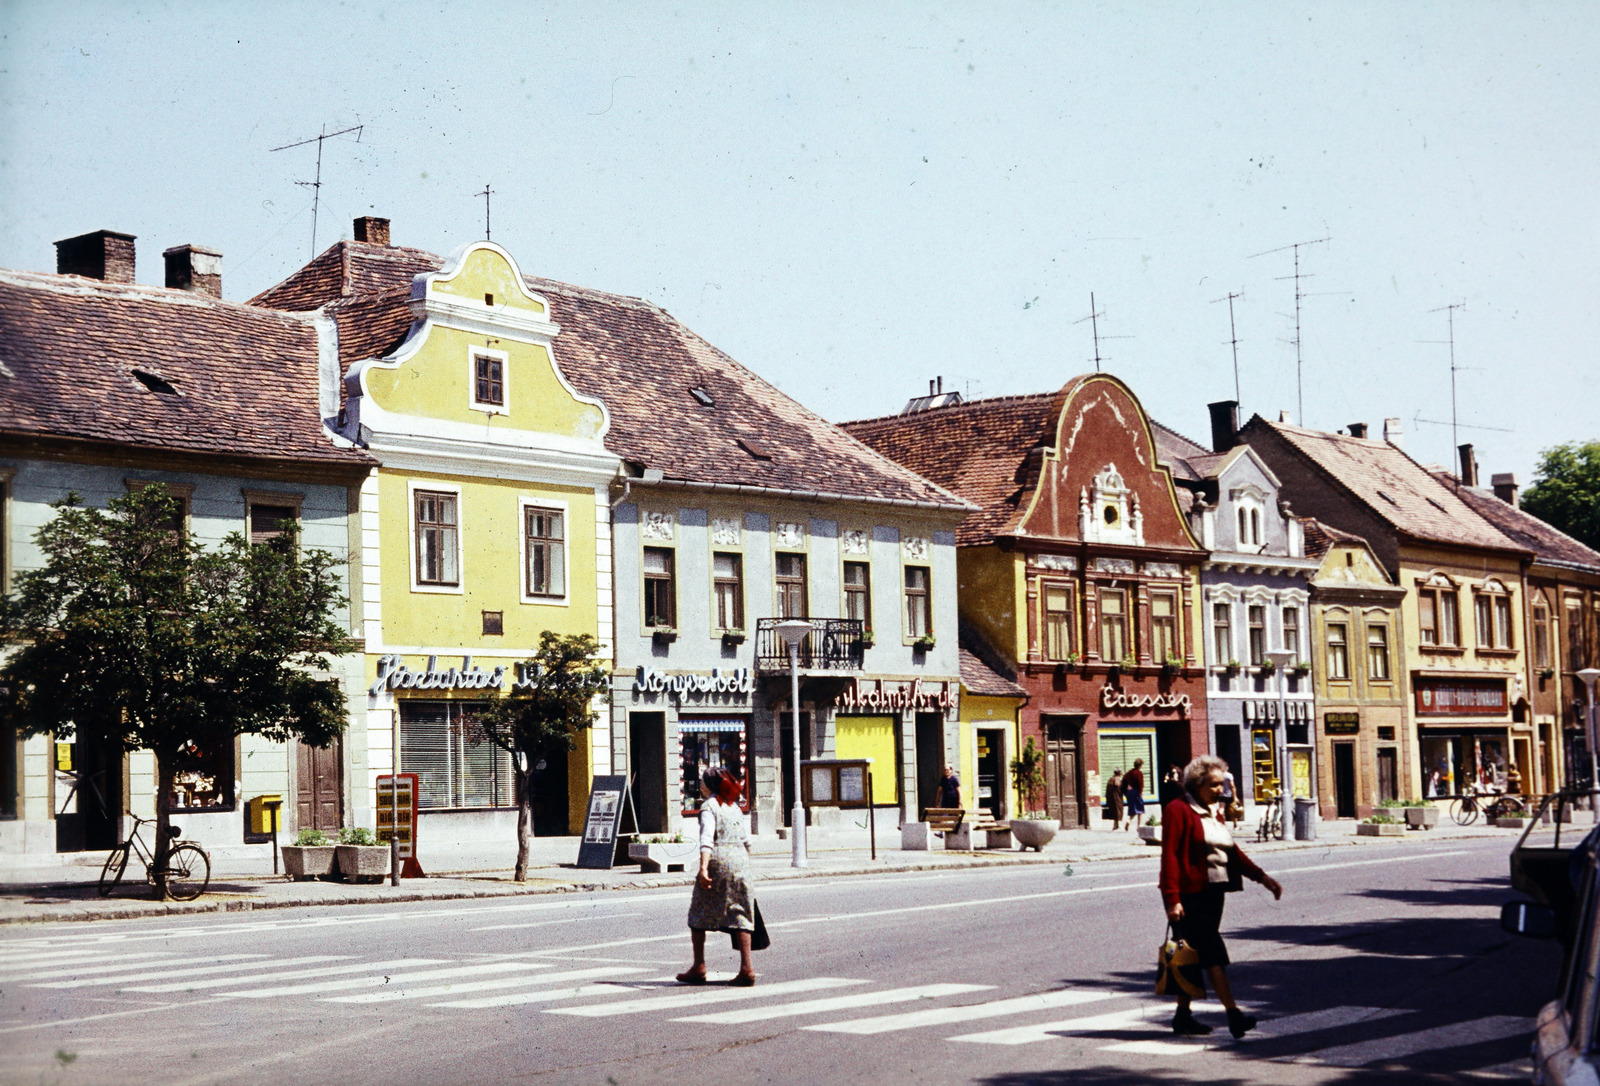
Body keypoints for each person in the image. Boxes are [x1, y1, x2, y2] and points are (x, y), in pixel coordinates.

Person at [1159, 754, 1284, 1038]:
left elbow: (1232, 851)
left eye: (1222, 784)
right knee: (1213, 953)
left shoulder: (1213, 811)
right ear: (1197, 784)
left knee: (1190, 953)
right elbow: (1171, 857)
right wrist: (1172, 899)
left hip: (1214, 893)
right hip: (1191, 896)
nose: (1220, 790)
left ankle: (1182, 1016)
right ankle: (1233, 1015)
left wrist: (1262, 878)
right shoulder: (1178, 810)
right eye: (1214, 785)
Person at [677, 767, 757, 986]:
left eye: (702, 781)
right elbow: (746, 840)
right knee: (740, 912)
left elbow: (706, 839)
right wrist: (744, 864)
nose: (700, 785)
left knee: (698, 911)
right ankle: (747, 968)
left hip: (719, 860)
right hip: (740, 859)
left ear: (708, 785)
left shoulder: (709, 806)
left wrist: (703, 868)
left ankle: (699, 965)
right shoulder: (734, 806)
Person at [1123, 759, 1146, 830]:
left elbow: (1124, 779)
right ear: (1139, 765)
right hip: (1136, 792)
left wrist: (1126, 790)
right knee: (1140, 809)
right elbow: (1141, 784)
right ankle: (1138, 826)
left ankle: (1129, 820)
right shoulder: (1139, 773)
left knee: (1133, 809)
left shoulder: (1130, 772)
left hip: (1130, 792)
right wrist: (1140, 793)